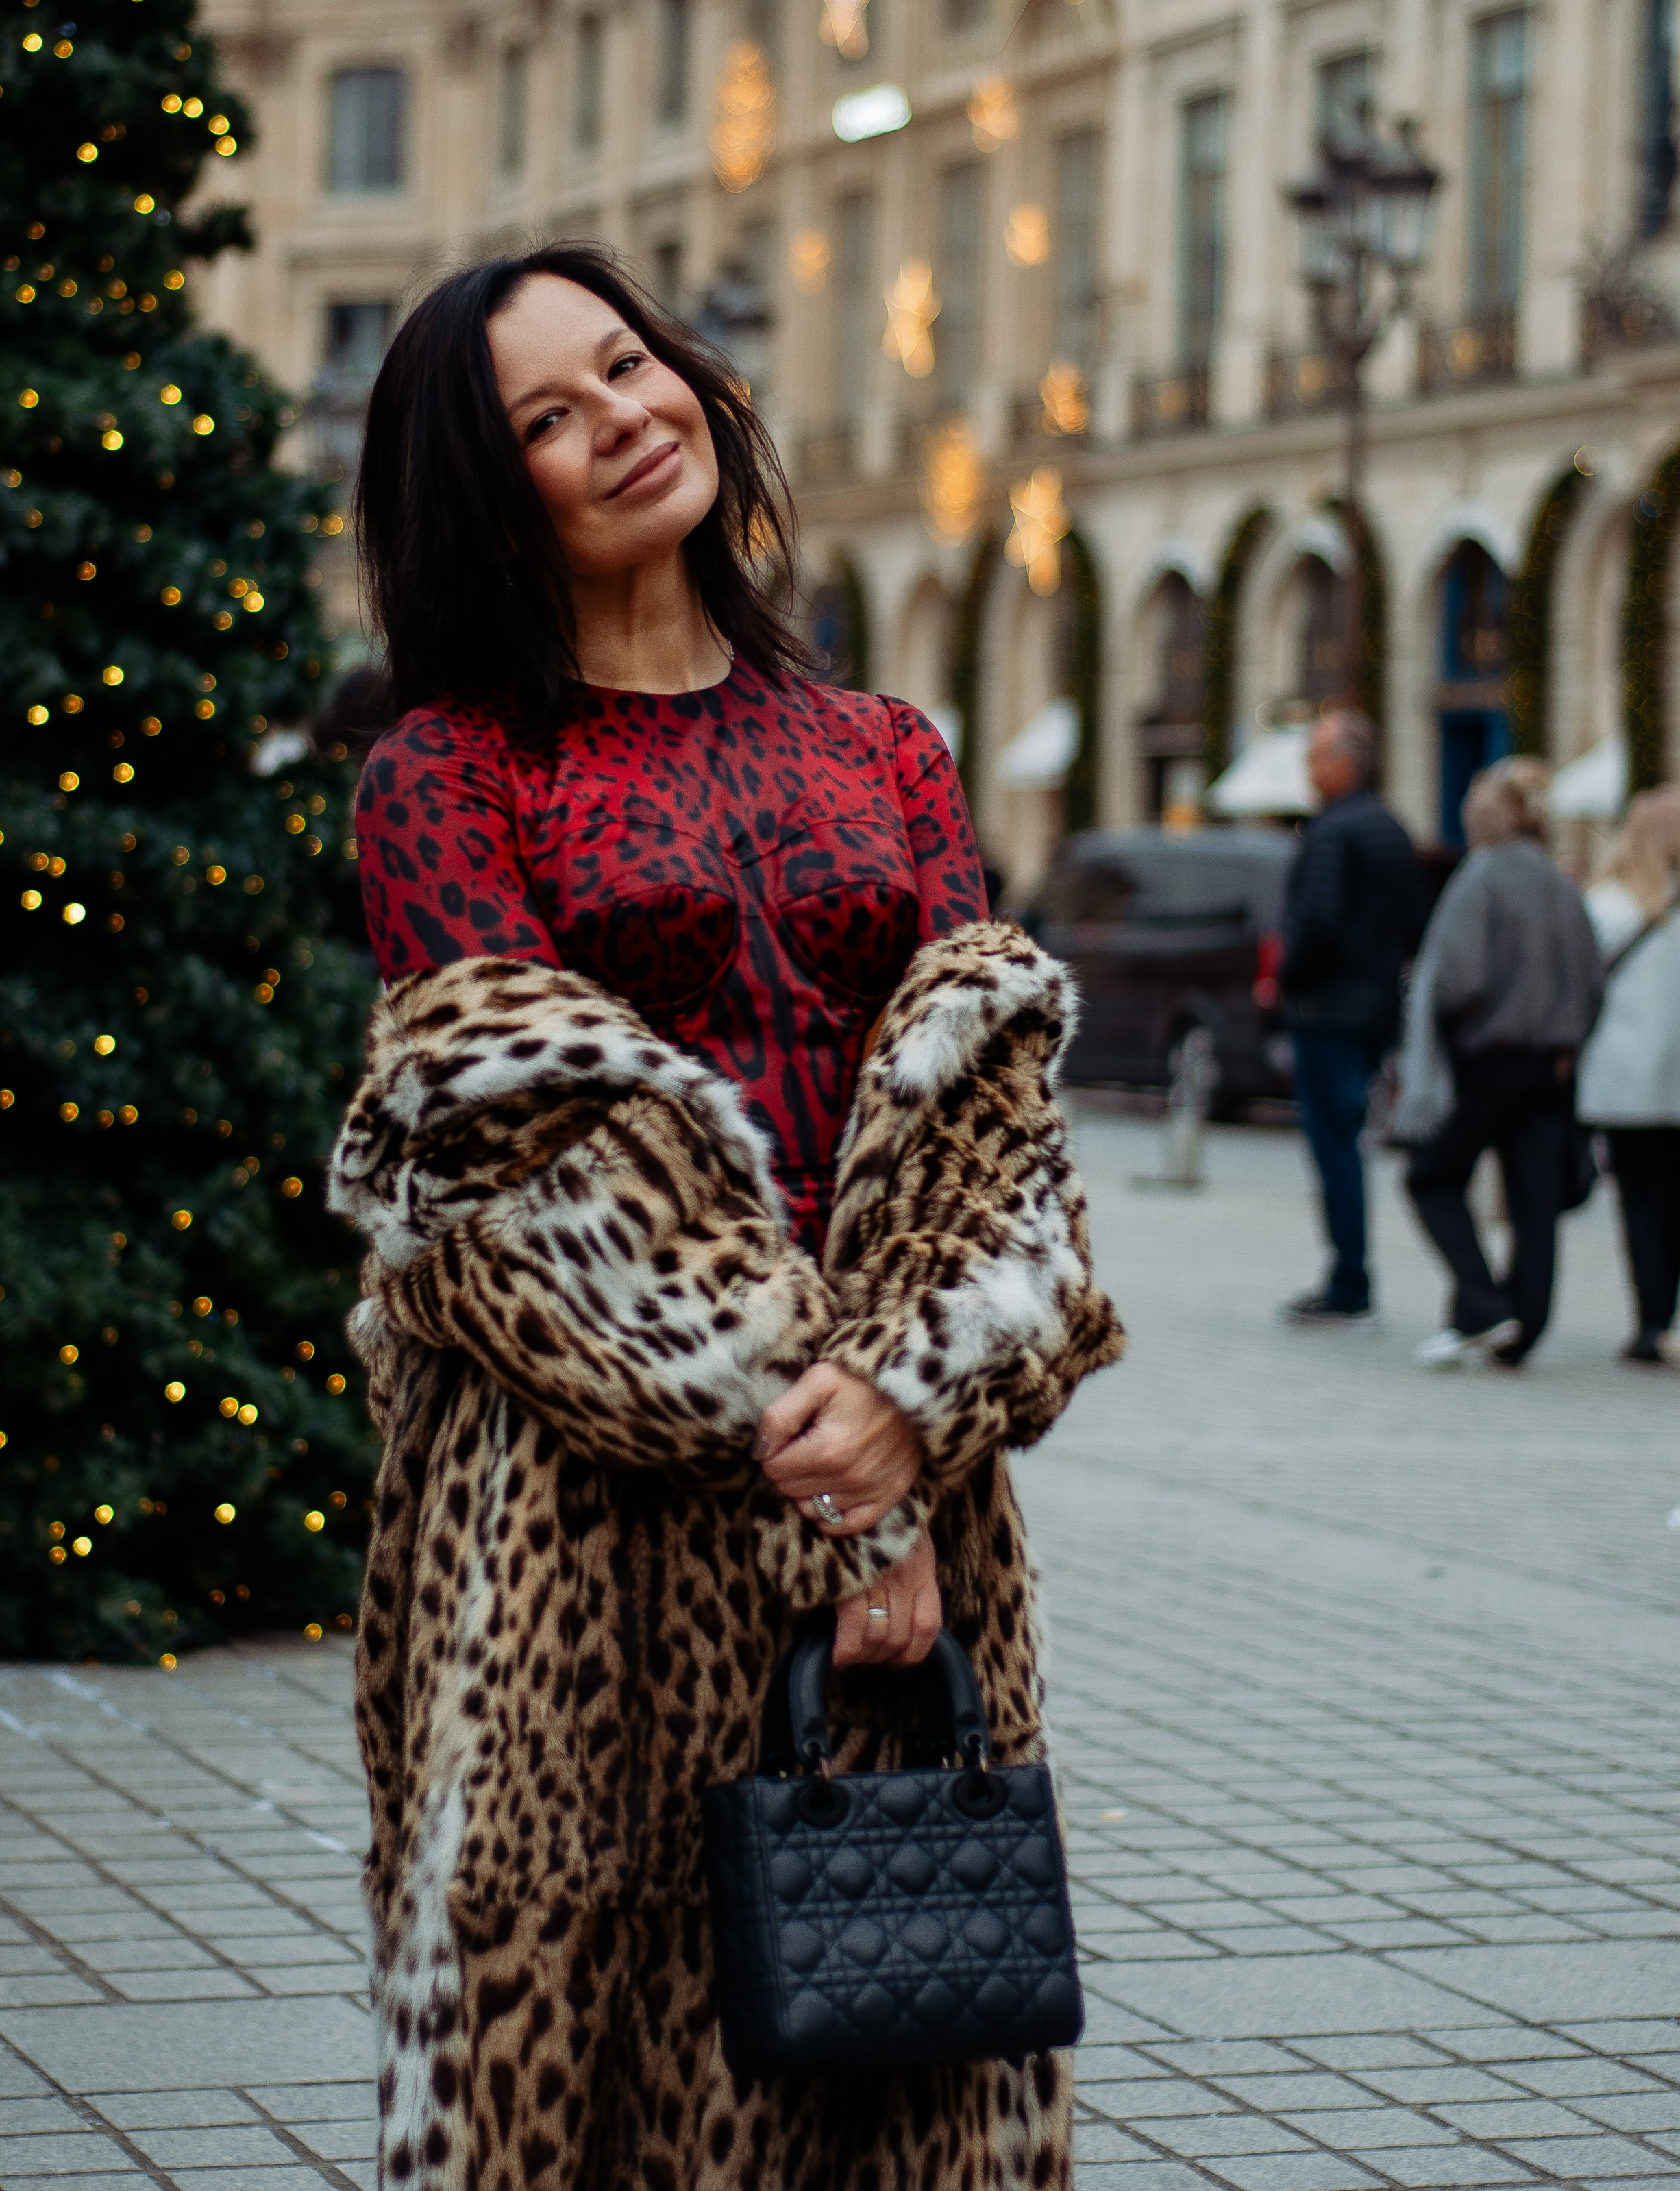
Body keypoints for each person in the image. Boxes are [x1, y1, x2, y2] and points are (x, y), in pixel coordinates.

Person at [337, 241, 1122, 2191]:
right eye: (548, 413)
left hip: (914, 1514)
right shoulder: (447, 774)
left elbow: (992, 1121)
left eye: (628, 363)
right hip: (575, 1545)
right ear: (484, 486)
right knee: (586, 2094)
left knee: (901, 2063)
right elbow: (519, 1174)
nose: (620, 418)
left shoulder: (888, 745)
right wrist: (856, 1470)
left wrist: (916, 1410)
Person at [1404, 757, 1603, 1368]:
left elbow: (1458, 976)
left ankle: (1484, 1304)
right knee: (1533, 1200)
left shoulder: (1483, 876)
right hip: (1553, 1065)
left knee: (1431, 1175)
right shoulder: (1560, 883)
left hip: (1488, 1059)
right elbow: (1593, 979)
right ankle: (1520, 1325)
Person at [1276, 708, 1423, 1327]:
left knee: (1334, 1146)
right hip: (1373, 1007)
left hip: (1328, 1009)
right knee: (1350, 1141)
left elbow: (1318, 922)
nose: (1308, 770)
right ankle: (1350, 1273)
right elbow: (1412, 920)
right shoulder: (1392, 828)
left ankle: (1349, 1278)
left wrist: (1288, 978)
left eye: (1315, 756)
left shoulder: (1333, 832)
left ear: (1343, 763)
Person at [1577, 785, 1680, 1364]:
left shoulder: (1607, 904)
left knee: (1640, 1201)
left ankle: (1649, 1318)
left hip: (1626, 1079)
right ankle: (1667, 1312)